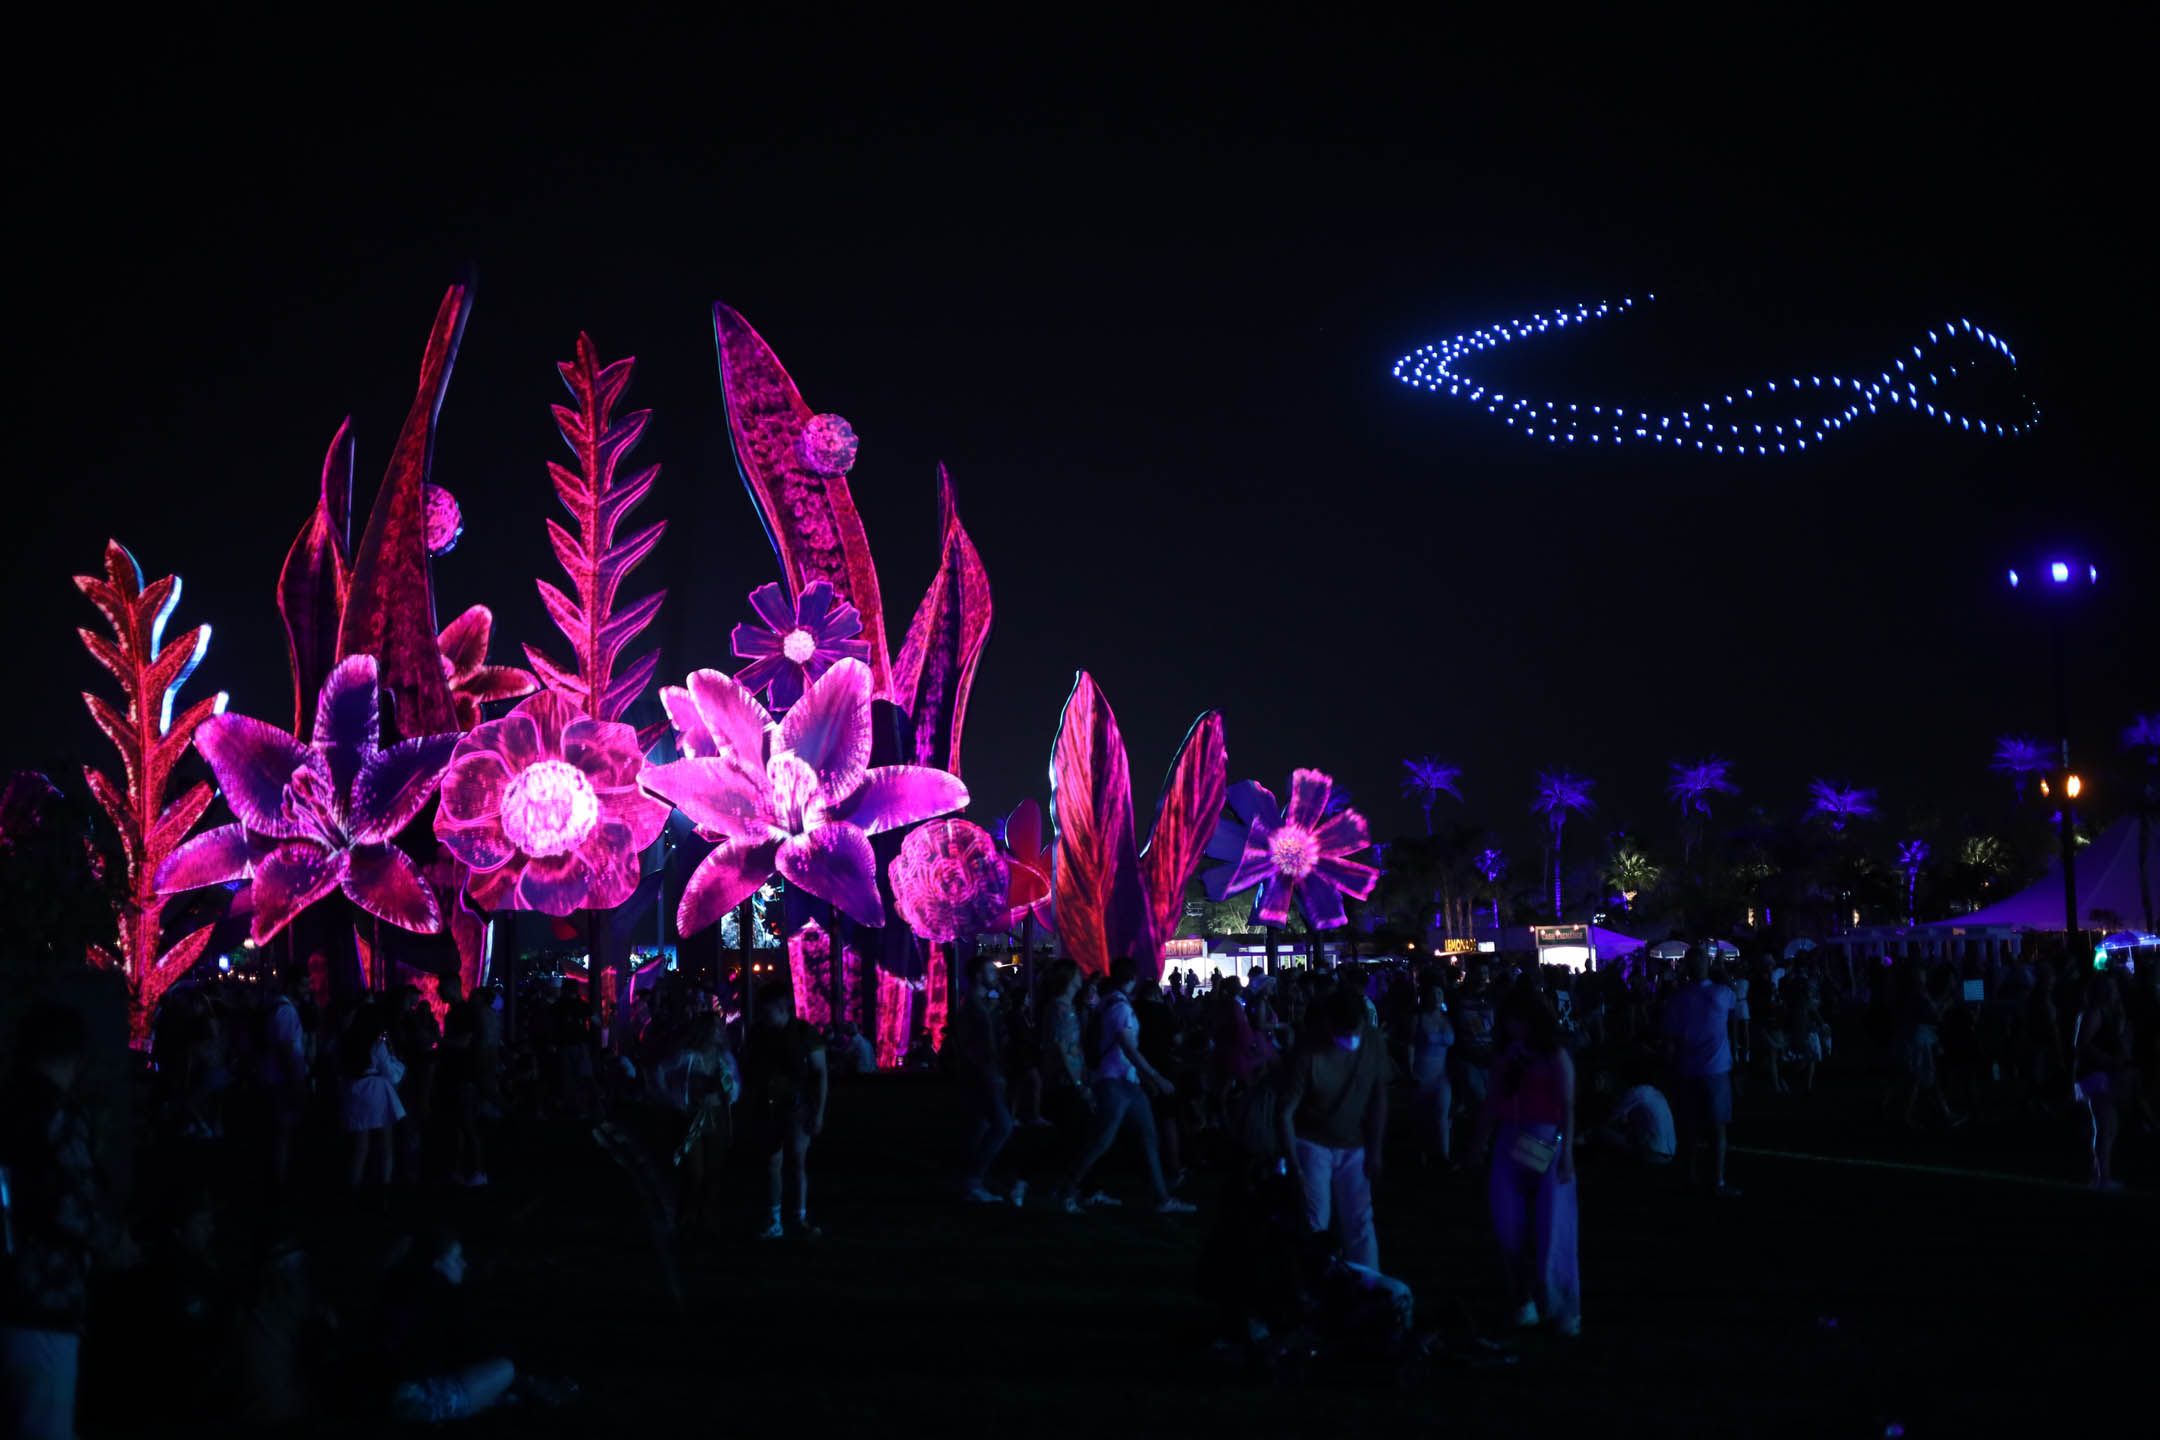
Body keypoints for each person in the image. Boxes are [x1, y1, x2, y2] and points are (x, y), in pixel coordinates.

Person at [2, 1003, 127, 1440]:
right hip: (47, 1299)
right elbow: (74, 1204)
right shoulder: (58, 1118)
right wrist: (112, 1243)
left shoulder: (12, 1107)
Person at [1477, 986, 1580, 1336]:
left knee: (1553, 1226)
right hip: (1513, 1138)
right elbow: (1493, 1100)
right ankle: (1525, 1300)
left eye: (1517, 1019)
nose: (1512, 1026)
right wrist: (1480, 1142)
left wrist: (1566, 1151)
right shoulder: (1508, 1055)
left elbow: (1567, 1105)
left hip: (1545, 1140)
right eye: (1508, 1020)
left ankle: (1559, 1304)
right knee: (1509, 1223)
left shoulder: (1554, 1055)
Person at [1062, 957, 1196, 1215]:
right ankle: (1067, 1189)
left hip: (1125, 1081)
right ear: (1133, 978)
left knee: (1147, 1137)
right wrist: (1155, 1077)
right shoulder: (1120, 1008)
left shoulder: (1109, 1002)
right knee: (1102, 1141)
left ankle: (1162, 1197)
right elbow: (1128, 1048)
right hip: (1115, 1081)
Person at [1278, 988, 1388, 1269]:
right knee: (1316, 1222)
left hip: (1354, 1144)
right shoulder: (1308, 1051)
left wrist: (1375, 1149)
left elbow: (1378, 1097)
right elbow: (1285, 1112)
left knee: (1360, 1221)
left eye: (1355, 1031)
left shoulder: (1372, 1042)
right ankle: (1316, 1283)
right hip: (1313, 1143)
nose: (1350, 1039)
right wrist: (1295, 1166)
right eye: (1344, 1032)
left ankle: (1367, 1282)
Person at [384, 1227, 518, 1424]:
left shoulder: (403, 1288)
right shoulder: (440, 1296)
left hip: (399, 1387)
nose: (463, 1264)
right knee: (505, 1370)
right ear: (436, 1263)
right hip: (410, 1395)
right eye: (456, 1258)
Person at [743, 982, 828, 1239]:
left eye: (767, 1011)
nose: (763, 1015)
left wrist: (818, 1112)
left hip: (796, 1106)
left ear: (781, 1008)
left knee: (794, 1162)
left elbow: (820, 1074)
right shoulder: (762, 1033)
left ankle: (790, 1218)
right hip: (772, 1106)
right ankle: (781, 1219)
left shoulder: (802, 1033)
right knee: (775, 1162)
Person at [1660, 949, 1740, 1197]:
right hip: (1716, 1070)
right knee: (1717, 1130)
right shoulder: (1721, 993)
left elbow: (1669, 1042)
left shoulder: (1677, 999)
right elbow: (1735, 999)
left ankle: (1690, 1178)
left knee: (1689, 1129)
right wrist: (1721, 969)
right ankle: (1717, 1181)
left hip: (1687, 1069)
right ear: (1708, 964)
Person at [948, 954, 1018, 1204]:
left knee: (979, 1127)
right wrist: (993, 1074)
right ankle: (974, 1179)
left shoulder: (976, 1005)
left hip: (977, 1074)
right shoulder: (975, 1008)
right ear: (979, 975)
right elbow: (982, 1046)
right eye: (990, 971)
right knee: (1002, 1125)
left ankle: (969, 1181)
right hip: (983, 1074)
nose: (995, 976)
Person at [2073, 974, 2136, 1192]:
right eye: (2108, 987)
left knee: (2107, 1126)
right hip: (2096, 1075)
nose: (2113, 991)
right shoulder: (2094, 1013)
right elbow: (2081, 1045)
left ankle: (2099, 1174)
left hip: (2098, 1074)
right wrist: (2110, 1060)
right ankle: (2103, 1178)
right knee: (2105, 1126)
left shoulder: (2104, 1013)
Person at [339, 1002, 406, 1187]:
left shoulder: (348, 1040)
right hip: (376, 1093)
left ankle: (354, 1189)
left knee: (360, 1148)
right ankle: (384, 1188)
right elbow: (390, 1072)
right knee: (386, 1144)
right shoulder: (376, 1043)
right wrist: (397, 1058)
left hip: (354, 1091)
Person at [1408, 979, 1455, 1167]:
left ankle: (1444, 1156)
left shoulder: (1447, 1018)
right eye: (1433, 994)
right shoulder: (1418, 1019)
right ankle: (1421, 1154)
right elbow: (1410, 1045)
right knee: (1422, 1117)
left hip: (1442, 1074)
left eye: (1439, 993)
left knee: (1442, 1115)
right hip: (1422, 1072)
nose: (1436, 997)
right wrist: (1410, 1071)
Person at [1590, 1072, 1675, 1164]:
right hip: (1669, 1154)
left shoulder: (1637, 1092)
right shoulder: (1655, 1093)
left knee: (1601, 1132)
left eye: (1601, 1080)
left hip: (1653, 1152)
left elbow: (1612, 1119)